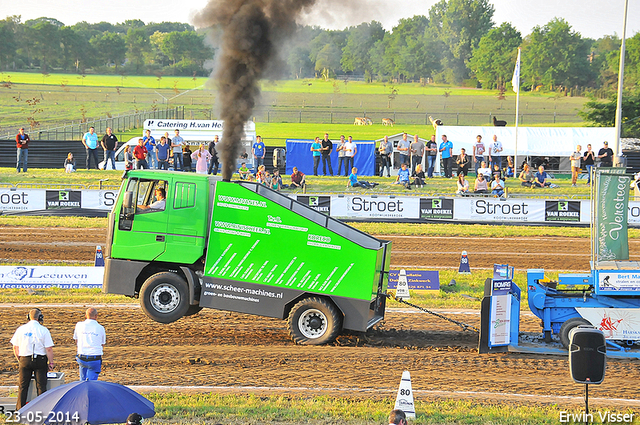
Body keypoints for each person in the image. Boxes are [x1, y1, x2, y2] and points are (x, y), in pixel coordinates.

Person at [11, 308, 55, 409]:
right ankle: (42, 409)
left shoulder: (21, 329)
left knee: (23, 386)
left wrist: (19, 359)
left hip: (24, 359)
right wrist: (51, 363)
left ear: (28, 317)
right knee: (41, 386)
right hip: (40, 360)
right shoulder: (43, 330)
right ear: (40, 317)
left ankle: (20, 410)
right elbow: (48, 349)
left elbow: (15, 347)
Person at [74, 307, 106, 381]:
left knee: (83, 380)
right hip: (94, 358)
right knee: (91, 383)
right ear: (96, 316)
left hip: (81, 357)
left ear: (86, 315)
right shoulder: (100, 328)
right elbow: (102, 344)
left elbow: (76, 340)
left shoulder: (79, 325)